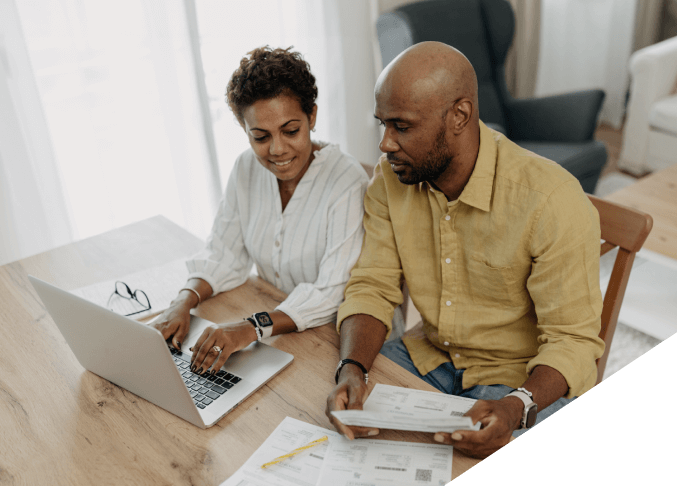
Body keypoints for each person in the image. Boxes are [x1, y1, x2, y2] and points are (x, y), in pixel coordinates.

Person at [325, 41, 605, 459]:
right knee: (331, 419)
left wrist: (515, 408)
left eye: (401, 127)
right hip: (428, 355)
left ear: (459, 116)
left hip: (517, 381)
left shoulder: (551, 200)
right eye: (382, 124)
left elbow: (573, 342)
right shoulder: (390, 180)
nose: (385, 144)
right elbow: (372, 286)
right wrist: (351, 369)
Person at [151, 46, 368, 377]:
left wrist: (249, 327)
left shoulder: (346, 180)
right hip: (278, 332)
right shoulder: (246, 169)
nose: (277, 149)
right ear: (245, 130)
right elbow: (224, 252)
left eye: (291, 130)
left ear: (312, 116)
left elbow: (332, 292)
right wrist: (182, 302)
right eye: (261, 136)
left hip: (341, 343)